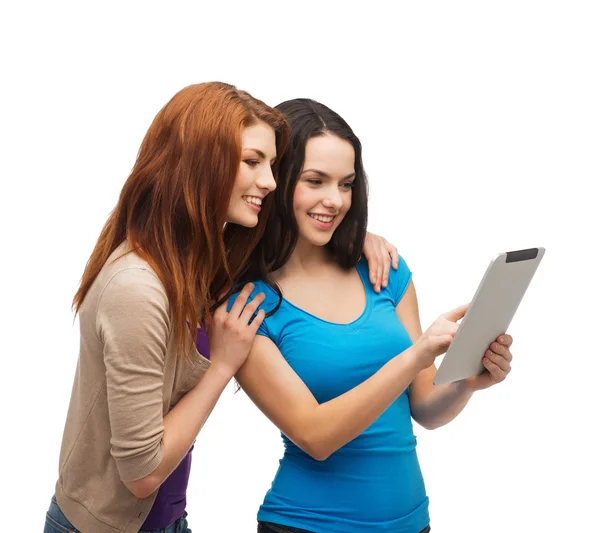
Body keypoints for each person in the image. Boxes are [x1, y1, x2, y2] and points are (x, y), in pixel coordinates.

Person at [44, 83, 397, 533]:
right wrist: (222, 366)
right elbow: (142, 473)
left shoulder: (201, 261)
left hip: (169, 520)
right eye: (252, 162)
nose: (269, 181)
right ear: (198, 162)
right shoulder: (138, 288)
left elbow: (282, 245)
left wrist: (353, 236)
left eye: (271, 165)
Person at [234, 99, 515, 533]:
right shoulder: (249, 305)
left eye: (346, 184)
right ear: (278, 179)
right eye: (315, 181)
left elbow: (424, 408)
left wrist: (468, 382)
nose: (335, 200)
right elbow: (316, 438)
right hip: (307, 524)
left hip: (412, 522)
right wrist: (416, 356)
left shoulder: (384, 270)